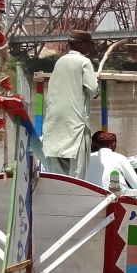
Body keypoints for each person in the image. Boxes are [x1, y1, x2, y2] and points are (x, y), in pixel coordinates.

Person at [42, 30, 99, 177]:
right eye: (89, 44)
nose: (90, 48)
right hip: (76, 126)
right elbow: (93, 91)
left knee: (59, 174)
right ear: (81, 44)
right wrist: (96, 82)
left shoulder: (60, 61)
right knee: (77, 175)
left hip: (55, 126)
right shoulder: (84, 62)